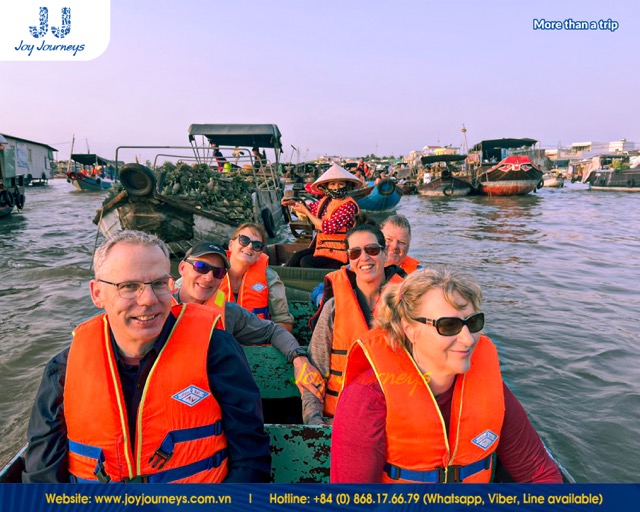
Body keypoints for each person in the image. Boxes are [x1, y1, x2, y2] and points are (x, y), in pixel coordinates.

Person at [23, 230, 271, 483]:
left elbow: (250, 456)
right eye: (129, 286)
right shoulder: (64, 369)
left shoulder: (216, 351)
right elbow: (42, 476)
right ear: (97, 293)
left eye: (159, 284)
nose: (148, 300)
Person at [331, 267, 563, 483]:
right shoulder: (366, 398)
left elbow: (538, 473)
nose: (468, 338)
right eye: (448, 325)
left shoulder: (490, 389)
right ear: (409, 329)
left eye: (473, 322)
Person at [176, 240, 324, 402]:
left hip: (213, 401)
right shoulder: (157, 308)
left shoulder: (230, 313)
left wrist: (299, 359)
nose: (209, 277)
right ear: (182, 268)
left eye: (218, 272)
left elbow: (272, 331)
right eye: (201, 267)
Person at [303, 223, 406, 425]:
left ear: (385, 254)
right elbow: (314, 372)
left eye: (372, 250)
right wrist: (314, 423)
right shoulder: (333, 307)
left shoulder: (407, 307)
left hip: (393, 421)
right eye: (355, 252)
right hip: (339, 419)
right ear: (349, 259)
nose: (364, 258)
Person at [284, 163, 364, 269]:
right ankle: (283, 280)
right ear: (326, 187)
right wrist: (293, 204)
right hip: (325, 248)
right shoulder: (326, 201)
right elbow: (311, 208)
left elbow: (328, 227)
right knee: (295, 257)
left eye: (341, 184)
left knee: (306, 262)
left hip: (341, 253)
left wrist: (306, 212)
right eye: (332, 184)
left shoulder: (348, 205)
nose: (336, 187)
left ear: (347, 185)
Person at [218, 223, 294, 332]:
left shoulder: (270, 278)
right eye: (244, 240)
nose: (249, 246)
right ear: (231, 245)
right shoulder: (209, 272)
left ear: (259, 255)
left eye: (257, 245)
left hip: (255, 343)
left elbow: (283, 321)